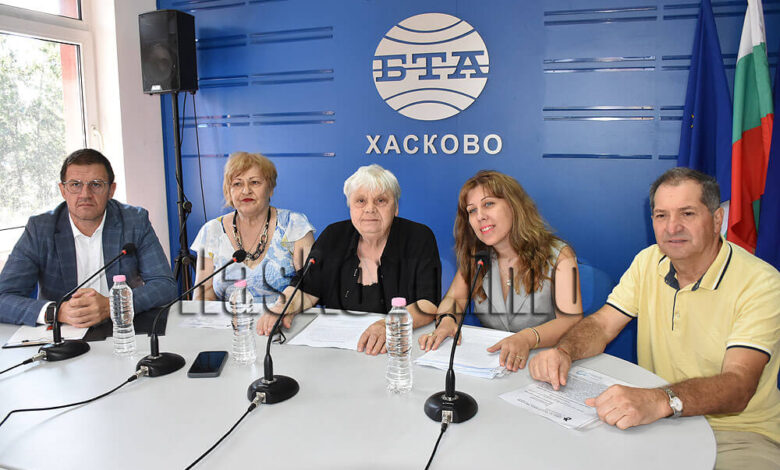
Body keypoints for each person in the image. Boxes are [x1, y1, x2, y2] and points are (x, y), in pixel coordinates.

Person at [529, 168, 780, 469]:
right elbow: (603, 325)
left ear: (717, 220)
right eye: (661, 215)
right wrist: (564, 351)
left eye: (687, 213)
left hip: (737, 434)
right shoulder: (648, 261)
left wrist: (660, 401)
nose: (672, 227)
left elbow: (739, 385)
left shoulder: (761, 283)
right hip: (656, 422)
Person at [256, 164, 441, 355]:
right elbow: (306, 290)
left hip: (397, 349)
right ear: (350, 207)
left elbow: (428, 304)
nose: (370, 209)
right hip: (338, 352)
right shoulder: (333, 235)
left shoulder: (418, 237)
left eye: (381, 200)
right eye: (360, 201)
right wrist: (284, 307)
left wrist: (388, 325)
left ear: (396, 208)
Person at [419, 170, 582, 371]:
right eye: (472, 210)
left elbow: (571, 320)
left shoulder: (560, 254)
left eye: (488, 204)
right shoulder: (477, 257)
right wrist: (447, 320)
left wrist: (527, 338)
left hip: (545, 363)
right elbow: (455, 299)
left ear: (514, 206)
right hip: (494, 364)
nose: (480, 216)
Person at [0, 148, 178, 327]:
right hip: (65, 331)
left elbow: (165, 286)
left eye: (96, 184)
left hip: (123, 328)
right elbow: (3, 297)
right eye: (75, 185)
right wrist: (58, 312)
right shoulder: (40, 229)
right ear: (63, 190)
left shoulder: (134, 221)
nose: (85, 194)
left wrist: (112, 306)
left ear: (111, 190)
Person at [191, 152, 315, 305]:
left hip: (285, 316)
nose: (246, 191)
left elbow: (309, 286)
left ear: (270, 188)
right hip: (229, 318)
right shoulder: (211, 231)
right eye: (237, 184)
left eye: (255, 182)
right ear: (228, 190)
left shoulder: (294, 225)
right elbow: (203, 296)